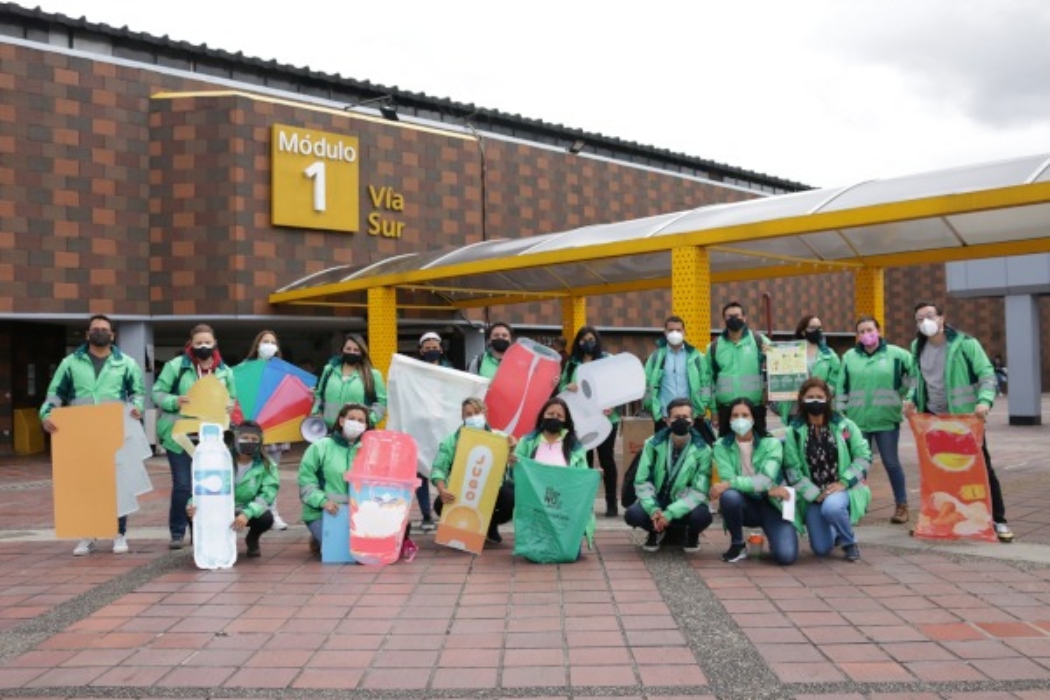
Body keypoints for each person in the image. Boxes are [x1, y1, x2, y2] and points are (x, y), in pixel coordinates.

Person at [904, 301, 1012, 542]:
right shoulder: (917, 346)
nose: (925, 322)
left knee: (980, 467)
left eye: (929, 316)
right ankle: (937, 518)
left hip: (963, 420)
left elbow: (986, 375)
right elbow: (915, 379)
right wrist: (911, 399)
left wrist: (984, 401)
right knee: (937, 470)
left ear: (942, 318)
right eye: (919, 319)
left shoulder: (965, 344)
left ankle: (998, 520)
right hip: (932, 419)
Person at [39, 314, 146, 556]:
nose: (100, 332)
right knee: (86, 484)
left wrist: (137, 407)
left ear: (112, 335)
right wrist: (46, 415)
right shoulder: (70, 363)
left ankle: (119, 533)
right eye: (95, 329)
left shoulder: (126, 363)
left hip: (115, 431)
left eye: (104, 329)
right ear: (87, 334)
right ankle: (87, 535)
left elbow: (137, 392)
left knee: (118, 485)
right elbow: (56, 394)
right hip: (82, 432)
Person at [153, 324, 238, 550]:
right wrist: (174, 401)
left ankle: (200, 531)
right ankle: (178, 531)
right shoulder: (176, 366)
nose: (203, 347)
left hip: (212, 438)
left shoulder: (225, 371)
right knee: (183, 485)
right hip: (180, 436)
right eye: (198, 343)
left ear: (215, 343)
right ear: (190, 344)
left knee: (208, 485)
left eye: (207, 343)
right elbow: (157, 393)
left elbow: (232, 399)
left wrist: (230, 407)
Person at [783, 378, 872, 562]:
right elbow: (792, 469)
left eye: (819, 397)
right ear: (801, 400)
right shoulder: (794, 431)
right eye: (810, 397)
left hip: (841, 487)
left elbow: (863, 457)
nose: (815, 401)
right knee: (821, 549)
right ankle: (837, 529)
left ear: (828, 399)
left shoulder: (845, 426)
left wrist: (844, 482)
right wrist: (813, 493)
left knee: (832, 508)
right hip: (814, 495)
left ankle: (849, 542)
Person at [836, 316, 914, 524]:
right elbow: (841, 387)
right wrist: (840, 415)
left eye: (869, 329)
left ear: (878, 330)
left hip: (886, 420)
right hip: (856, 421)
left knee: (891, 463)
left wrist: (908, 394)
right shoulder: (849, 357)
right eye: (861, 331)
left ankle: (902, 505)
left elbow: (915, 376)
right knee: (858, 465)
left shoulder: (897, 355)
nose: (865, 334)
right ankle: (857, 506)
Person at [710, 397, 798, 565]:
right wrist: (762, 486)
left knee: (786, 556)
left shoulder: (771, 443)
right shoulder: (721, 446)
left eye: (745, 415)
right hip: (745, 505)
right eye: (735, 415)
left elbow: (765, 480)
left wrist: (733, 484)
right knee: (729, 497)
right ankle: (738, 544)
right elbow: (732, 481)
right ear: (729, 419)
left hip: (773, 504)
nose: (740, 420)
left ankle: (775, 537)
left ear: (753, 418)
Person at [625, 397, 713, 553]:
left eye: (685, 417)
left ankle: (691, 534)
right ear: (667, 421)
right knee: (633, 514)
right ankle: (655, 530)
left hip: (686, 503)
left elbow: (700, 491)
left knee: (702, 516)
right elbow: (641, 481)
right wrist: (653, 509)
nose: (681, 421)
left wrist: (671, 513)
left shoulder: (703, 450)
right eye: (676, 418)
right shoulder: (652, 444)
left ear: (692, 421)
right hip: (658, 499)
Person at [185, 421, 278, 558]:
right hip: (218, 507)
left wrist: (247, 513)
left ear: (260, 442)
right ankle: (201, 545)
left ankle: (252, 539)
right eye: (244, 438)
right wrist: (192, 503)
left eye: (254, 439)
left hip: (245, 509)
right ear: (235, 438)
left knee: (266, 518)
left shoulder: (267, 465)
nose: (249, 442)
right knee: (193, 511)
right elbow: (204, 484)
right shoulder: (220, 458)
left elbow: (267, 494)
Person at [430, 398, 517, 544]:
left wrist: (512, 449)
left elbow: (516, 460)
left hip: (492, 492)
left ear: (485, 414)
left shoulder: (501, 438)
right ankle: (462, 529)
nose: (473, 417)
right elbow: (439, 468)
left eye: (477, 413)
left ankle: (490, 525)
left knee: (510, 499)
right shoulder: (450, 441)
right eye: (468, 414)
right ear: (462, 417)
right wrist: (442, 489)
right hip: (462, 490)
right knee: (440, 504)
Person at [512, 397, 593, 550]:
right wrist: (512, 464)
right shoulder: (527, 442)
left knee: (570, 553)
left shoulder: (575, 446)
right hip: (535, 502)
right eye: (550, 414)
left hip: (565, 504)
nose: (554, 418)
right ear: (542, 415)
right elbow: (514, 476)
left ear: (565, 420)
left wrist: (592, 477)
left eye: (559, 416)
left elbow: (582, 478)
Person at [561, 325, 622, 517]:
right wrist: (567, 386)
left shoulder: (606, 361)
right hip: (581, 420)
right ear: (577, 342)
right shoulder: (572, 364)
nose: (587, 343)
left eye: (591, 339)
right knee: (583, 460)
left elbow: (618, 387)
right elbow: (561, 387)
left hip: (607, 419)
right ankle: (584, 502)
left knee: (607, 458)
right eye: (583, 339)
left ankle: (611, 502)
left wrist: (613, 406)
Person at [298, 403, 371, 553]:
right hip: (323, 511)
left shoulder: (370, 449)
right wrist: (323, 502)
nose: (356, 423)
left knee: (367, 550)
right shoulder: (320, 447)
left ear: (366, 425)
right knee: (340, 552)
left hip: (359, 512)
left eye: (360, 420)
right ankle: (319, 535)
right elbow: (306, 482)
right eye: (351, 418)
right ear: (342, 421)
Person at [241, 329, 291, 530]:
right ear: (257, 344)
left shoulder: (283, 372)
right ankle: (249, 511)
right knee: (249, 474)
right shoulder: (244, 369)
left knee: (271, 473)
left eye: (272, 341)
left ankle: (273, 513)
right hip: (251, 430)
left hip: (275, 430)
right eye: (265, 341)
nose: (269, 345)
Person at [707, 302, 771, 437]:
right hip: (725, 409)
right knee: (725, 449)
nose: (733, 319)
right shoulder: (714, 347)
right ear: (724, 319)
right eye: (729, 316)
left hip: (754, 407)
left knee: (758, 448)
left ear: (744, 318)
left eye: (737, 315)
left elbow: (779, 367)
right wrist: (713, 410)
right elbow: (707, 381)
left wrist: (769, 357)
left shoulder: (759, 341)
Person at [643, 315, 710, 435]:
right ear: (665, 332)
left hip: (691, 416)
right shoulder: (655, 357)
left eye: (678, 330)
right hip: (664, 417)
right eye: (671, 330)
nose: (675, 333)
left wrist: (703, 406)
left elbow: (706, 383)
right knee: (664, 452)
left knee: (692, 452)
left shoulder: (696, 357)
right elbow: (647, 385)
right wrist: (652, 409)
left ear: (684, 332)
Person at [312, 334, 387, 430]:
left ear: (362, 353)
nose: (351, 352)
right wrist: (316, 413)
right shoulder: (329, 370)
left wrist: (368, 420)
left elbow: (382, 403)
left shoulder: (373, 375)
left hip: (358, 432)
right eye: (348, 348)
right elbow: (319, 395)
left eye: (356, 350)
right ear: (342, 350)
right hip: (329, 431)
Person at [776, 315, 841, 425]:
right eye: (812, 327)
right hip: (795, 408)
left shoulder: (830, 355)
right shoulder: (788, 352)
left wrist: (822, 393)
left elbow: (835, 378)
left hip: (819, 407)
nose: (816, 331)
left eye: (819, 328)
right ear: (803, 331)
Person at [415, 331, 450, 532]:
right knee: (420, 471)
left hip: (442, 426)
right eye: (427, 349)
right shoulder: (413, 372)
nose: (431, 351)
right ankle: (426, 514)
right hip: (419, 426)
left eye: (435, 348)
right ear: (421, 350)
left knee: (445, 468)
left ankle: (447, 510)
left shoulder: (451, 373)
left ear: (441, 350)